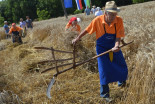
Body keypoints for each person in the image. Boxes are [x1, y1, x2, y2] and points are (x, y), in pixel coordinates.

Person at [72, 1, 128, 102]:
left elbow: (118, 36)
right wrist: (77, 38)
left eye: (115, 14)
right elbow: (87, 30)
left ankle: (122, 83)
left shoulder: (119, 20)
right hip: (102, 47)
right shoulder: (97, 20)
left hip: (114, 46)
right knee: (104, 70)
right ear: (105, 12)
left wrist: (116, 46)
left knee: (121, 64)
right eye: (111, 14)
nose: (113, 17)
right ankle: (105, 94)